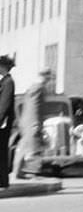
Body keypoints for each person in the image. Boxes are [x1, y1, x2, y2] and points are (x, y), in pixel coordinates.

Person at [13, 68, 51, 179]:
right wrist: (35, 123)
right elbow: (34, 107)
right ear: (44, 76)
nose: (49, 79)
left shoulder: (33, 87)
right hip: (31, 121)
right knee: (26, 147)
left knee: (24, 147)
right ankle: (17, 173)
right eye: (48, 76)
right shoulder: (38, 88)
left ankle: (18, 172)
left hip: (28, 121)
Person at [0, 55, 16, 189]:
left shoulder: (8, 82)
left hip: (3, 123)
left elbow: (4, 105)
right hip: (2, 122)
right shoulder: (4, 81)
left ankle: (3, 180)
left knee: (2, 151)